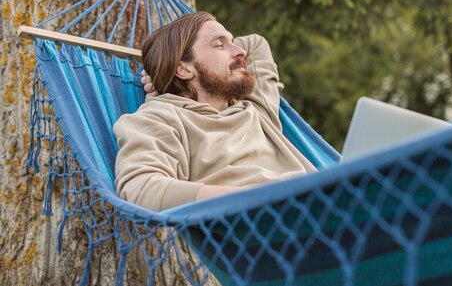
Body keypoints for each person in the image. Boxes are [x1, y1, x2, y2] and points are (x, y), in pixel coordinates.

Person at [114, 12, 316, 211]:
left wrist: (165, 68)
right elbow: (141, 187)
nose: (240, 52)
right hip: (269, 224)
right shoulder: (160, 118)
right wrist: (252, 198)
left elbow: (256, 44)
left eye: (232, 42)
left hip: (322, 208)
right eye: (220, 45)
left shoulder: (256, 109)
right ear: (183, 69)